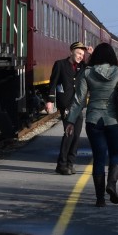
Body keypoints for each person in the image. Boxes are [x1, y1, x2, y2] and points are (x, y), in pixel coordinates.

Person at [65, 43, 118, 206]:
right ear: (112, 56)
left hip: (93, 120)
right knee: (116, 154)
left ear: (95, 55)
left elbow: (79, 100)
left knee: (98, 157)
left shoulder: (87, 73)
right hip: (114, 120)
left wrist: (70, 121)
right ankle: (111, 184)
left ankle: (100, 199)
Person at [46, 41, 88, 174]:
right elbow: (53, 83)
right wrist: (50, 101)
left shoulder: (84, 67)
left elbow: (92, 70)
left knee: (76, 136)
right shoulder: (60, 64)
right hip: (66, 104)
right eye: (78, 53)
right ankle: (62, 164)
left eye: (83, 54)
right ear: (71, 51)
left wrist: (91, 55)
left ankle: (70, 163)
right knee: (69, 134)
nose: (81, 56)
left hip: (78, 105)